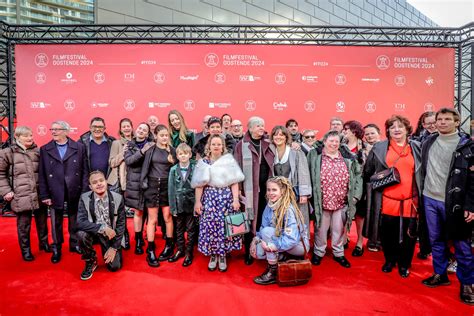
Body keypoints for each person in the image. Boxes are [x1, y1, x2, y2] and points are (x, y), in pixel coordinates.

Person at [420, 108, 473, 305]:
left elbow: (473, 180)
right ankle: (440, 274)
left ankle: (468, 282)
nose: (442, 122)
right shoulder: (429, 141)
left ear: (457, 122)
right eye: (439, 119)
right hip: (429, 199)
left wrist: (471, 205)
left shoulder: (467, 146)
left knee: (462, 243)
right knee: (436, 241)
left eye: (447, 119)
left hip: (455, 203)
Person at [364, 115, 421, 278]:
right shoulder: (380, 147)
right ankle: (389, 261)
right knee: (388, 234)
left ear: (407, 130)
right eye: (392, 127)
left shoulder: (417, 147)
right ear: (388, 130)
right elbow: (368, 172)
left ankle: (404, 264)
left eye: (400, 126)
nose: (396, 129)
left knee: (409, 235)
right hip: (387, 200)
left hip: (410, 200)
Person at [307, 130, 362, 268]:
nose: (334, 144)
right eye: (331, 141)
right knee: (321, 229)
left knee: (339, 229)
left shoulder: (348, 158)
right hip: (322, 201)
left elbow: (357, 177)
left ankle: (339, 253)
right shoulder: (315, 156)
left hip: (341, 201)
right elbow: (307, 173)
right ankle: (319, 253)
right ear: (324, 141)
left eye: (336, 141)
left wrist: (355, 195)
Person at [39, 121, 89, 263]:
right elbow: (42, 173)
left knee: (74, 219)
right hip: (54, 190)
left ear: (66, 132)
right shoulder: (45, 149)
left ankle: (74, 244)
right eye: (52, 129)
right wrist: (45, 195)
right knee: (56, 221)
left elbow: (85, 170)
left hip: (74, 189)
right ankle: (57, 248)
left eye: (57, 129)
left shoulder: (79, 147)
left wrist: (84, 191)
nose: (53, 132)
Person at [192, 134, 244, 272]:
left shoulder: (228, 161)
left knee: (224, 227)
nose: (216, 146)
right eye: (213, 144)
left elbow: (234, 182)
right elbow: (199, 185)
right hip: (209, 199)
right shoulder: (203, 162)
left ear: (223, 147)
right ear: (209, 146)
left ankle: (223, 256)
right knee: (210, 227)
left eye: (219, 144)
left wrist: (236, 200)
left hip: (226, 200)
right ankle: (213, 255)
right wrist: (197, 202)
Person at [0, 126, 51, 261]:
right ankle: (26, 250)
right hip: (20, 195)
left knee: (42, 222)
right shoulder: (7, 153)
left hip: (39, 194)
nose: (30, 138)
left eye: (31, 135)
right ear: (17, 137)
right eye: (26, 136)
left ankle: (44, 244)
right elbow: (0, 174)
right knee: (24, 225)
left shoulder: (38, 151)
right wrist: (6, 191)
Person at [252, 176, 310, 285]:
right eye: (269, 190)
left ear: (282, 191)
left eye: (274, 190)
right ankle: (283, 256)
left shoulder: (288, 209)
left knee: (267, 234)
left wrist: (274, 246)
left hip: (298, 245)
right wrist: (256, 239)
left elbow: (292, 239)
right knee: (258, 252)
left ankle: (272, 271)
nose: (270, 193)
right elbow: (263, 227)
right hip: (282, 240)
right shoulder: (269, 206)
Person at [234, 116, 275, 265]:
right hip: (249, 191)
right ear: (250, 128)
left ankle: (265, 249)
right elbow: (236, 168)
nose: (261, 128)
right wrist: (238, 189)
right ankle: (249, 251)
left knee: (267, 219)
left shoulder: (270, 143)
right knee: (250, 220)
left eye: (262, 125)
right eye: (257, 125)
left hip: (269, 191)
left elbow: (286, 145)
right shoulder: (241, 145)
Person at [76, 171, 125, 280]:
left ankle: (109, 248)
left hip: (111, 235)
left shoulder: (118, 198)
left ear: (106, 182)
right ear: (90, 187)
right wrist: (101, 228)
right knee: (81, 234)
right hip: (94, 232)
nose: (99, 184)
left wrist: (114, 247)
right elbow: (80, 222)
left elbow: (121, 225)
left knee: (114, 267)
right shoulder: (84, 198)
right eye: (94, 182)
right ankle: (91, 260)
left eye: (101, 180)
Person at [140, 124, 177, 267]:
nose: (164, 138)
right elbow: (144, 167)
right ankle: (150, 249)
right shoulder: (151, 149)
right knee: (152, 219)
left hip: (167, 187)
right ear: (156, 136)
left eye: (166, 135)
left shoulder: (173, 151)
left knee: (168, 217)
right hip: (152, 186)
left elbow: (179, 168)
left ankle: (169, 245)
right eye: (161, 135)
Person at [270, 126, 311, 232]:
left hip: (294, 193)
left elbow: (304, 172)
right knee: (280, 220)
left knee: (296, 220)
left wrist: (304, 193)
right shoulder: (270, 152)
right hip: (277, 194)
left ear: (286, 137)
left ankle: (299, 245)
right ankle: (281, 244)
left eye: (281, 134)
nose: (278, 137)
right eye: (275, 134)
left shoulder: (295, 151)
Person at [124, 123, 154, 255]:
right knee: (138, 213)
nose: (141, 131)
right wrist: (142, 151)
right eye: (140, 128)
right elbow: (129, 161)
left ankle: (149, 239)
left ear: (148, 134)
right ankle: (138, 239)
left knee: (150, 213)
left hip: (150, 183)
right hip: (135, 184)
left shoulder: (153, 145)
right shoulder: (129, 145)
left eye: (144, 130)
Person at [168, 143, 196, 267]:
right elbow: (171, 189)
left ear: (189, 155)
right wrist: (173, 207)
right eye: (180, 154)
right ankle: (180, 249)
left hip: (191, 203)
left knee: (190, 229)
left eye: (185, 153)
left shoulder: (195, 168)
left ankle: (189, 252)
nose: (183, 156)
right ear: (177, 156)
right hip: (178, 204)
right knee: (179, 229)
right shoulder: (173, 169)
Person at [108, 118, 134, 250]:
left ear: (132, 127)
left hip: (131, 183)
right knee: (118, 213)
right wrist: (123, 152)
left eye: (128, 126)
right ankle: (122, 237)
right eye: (124, 126)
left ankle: (137, 238)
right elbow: (112, 163)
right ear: (121, 129)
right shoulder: (116, 143)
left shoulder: (136, 142)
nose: (126, 128)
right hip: (116, 182)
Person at [359, 124, 382, 253]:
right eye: (367, 134)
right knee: (371, 213)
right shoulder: (363, 149)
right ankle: (373, 240)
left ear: (379, 134)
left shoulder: (386, 146)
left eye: (372, 133)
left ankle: (380, 240)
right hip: (368, 186)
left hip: (383, 186)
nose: (369, 136)